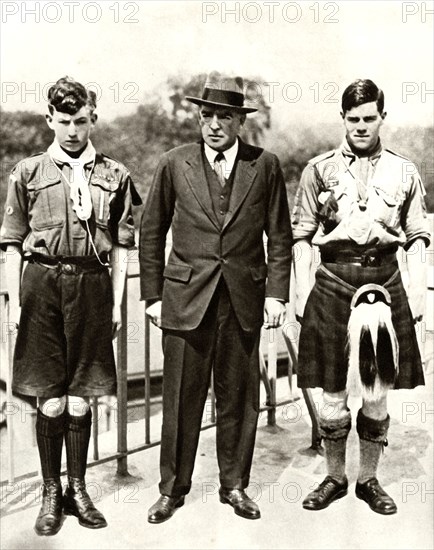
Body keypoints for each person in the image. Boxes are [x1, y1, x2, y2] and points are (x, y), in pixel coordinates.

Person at [139, 71, 292, 523]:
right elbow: (151, 233)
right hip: (185, 299)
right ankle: (172, 489)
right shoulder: (173, 163)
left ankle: (235, 485)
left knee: (239, 398)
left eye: (224, 116)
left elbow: (279, 238)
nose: (214, 125)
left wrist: (277, 296)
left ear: (239, 121)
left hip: (243, 300)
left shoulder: (264, 165)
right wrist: (152, 297)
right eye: (207, 115)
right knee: (180, 400)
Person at [0, 76, 141, 535]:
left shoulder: (115, 175)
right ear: (49, 120)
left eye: (81, 121)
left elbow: (122, 246)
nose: (73, 131)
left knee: (81, 399)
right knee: (51, 398)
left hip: (93, 287)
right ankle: (49, 492)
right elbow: (11, 244)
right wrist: (17, 303)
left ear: (92, 118)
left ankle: (78, 489)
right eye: (64, 121)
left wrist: (117, 302)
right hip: (41, 285)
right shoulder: (27, 173)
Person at [292, 78, 430, 515]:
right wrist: (299, 292)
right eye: (353, 119)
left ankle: (369, 480)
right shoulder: (319, 170)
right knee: (331, 392)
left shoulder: (404, 170)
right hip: (333, 282)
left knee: (377, 389)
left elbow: (417, 236)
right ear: (343, 119)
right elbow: (301, 237)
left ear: (382, 118)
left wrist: (420, 293)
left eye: (370, 118)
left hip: (385, 284)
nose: (361, 126)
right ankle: (334, 477)